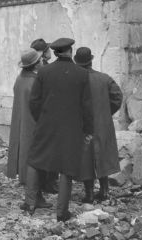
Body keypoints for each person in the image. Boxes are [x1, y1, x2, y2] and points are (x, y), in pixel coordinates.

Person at [27, 38, 93, 222]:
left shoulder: (43, 71)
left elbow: (33, 101)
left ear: (55, 53)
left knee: (35, 158)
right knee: (67, 166)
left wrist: (41, 119)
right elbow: (87, 105)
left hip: (46, 123)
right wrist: (88, 129)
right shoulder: (81, 74)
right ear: (71, 51)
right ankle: (61, 212)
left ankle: (30, 204)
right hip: (71, 127)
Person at [74, 47, 123, 203]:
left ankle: (88, 194)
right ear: (91, 60)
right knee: (103, 155)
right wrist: (106, 113)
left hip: (81, 125)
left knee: (85, 158)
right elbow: (117, 97)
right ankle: (104, 191)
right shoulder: (104, 78)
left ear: (76, 62)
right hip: (103, 124)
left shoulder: (74, 80)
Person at [7, 48, 52, 210]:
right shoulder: (36, 82)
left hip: (22, 124)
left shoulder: (20, 80)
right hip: (35, 125)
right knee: (35, 161)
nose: (42, 62)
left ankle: (36, 197)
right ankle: (31, 200)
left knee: (29, 159)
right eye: (40, 60)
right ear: (35, 64)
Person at [29, 38, 59, 194]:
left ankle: (48, 182)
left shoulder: (40, 68)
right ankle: (48, 183)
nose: (49, 52)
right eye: (46, 49)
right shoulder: (42, 69)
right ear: (41, 53)